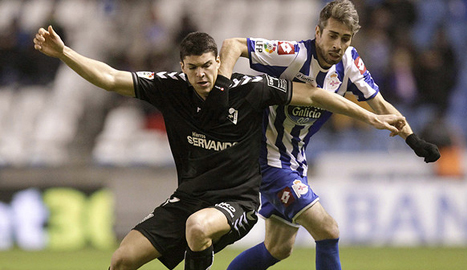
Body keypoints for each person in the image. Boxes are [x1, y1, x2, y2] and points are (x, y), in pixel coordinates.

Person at [33, 25, 405, 270]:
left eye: (208, 66)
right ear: (183, 66)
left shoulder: (250, 89)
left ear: (217, 63)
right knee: (121, 261)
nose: (201, 74)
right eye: (193, 67)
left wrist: (368, 115)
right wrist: (65, 53)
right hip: (187, 197)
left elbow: (311, 93)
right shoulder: (171, 87)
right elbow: (111, 78)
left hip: (237, 200)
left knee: (198, 228)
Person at [219, 1, 440, 270]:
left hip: (295, 161)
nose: (338, 44)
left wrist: (413, 141)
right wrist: (221, 88)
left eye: (345, 38)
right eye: (332, 35)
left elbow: (381, 106)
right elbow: (233, 45)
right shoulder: (293, 55)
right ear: (318, 32)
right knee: (328, 230)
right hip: (268, 160)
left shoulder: (349, 63)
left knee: (279, 248)